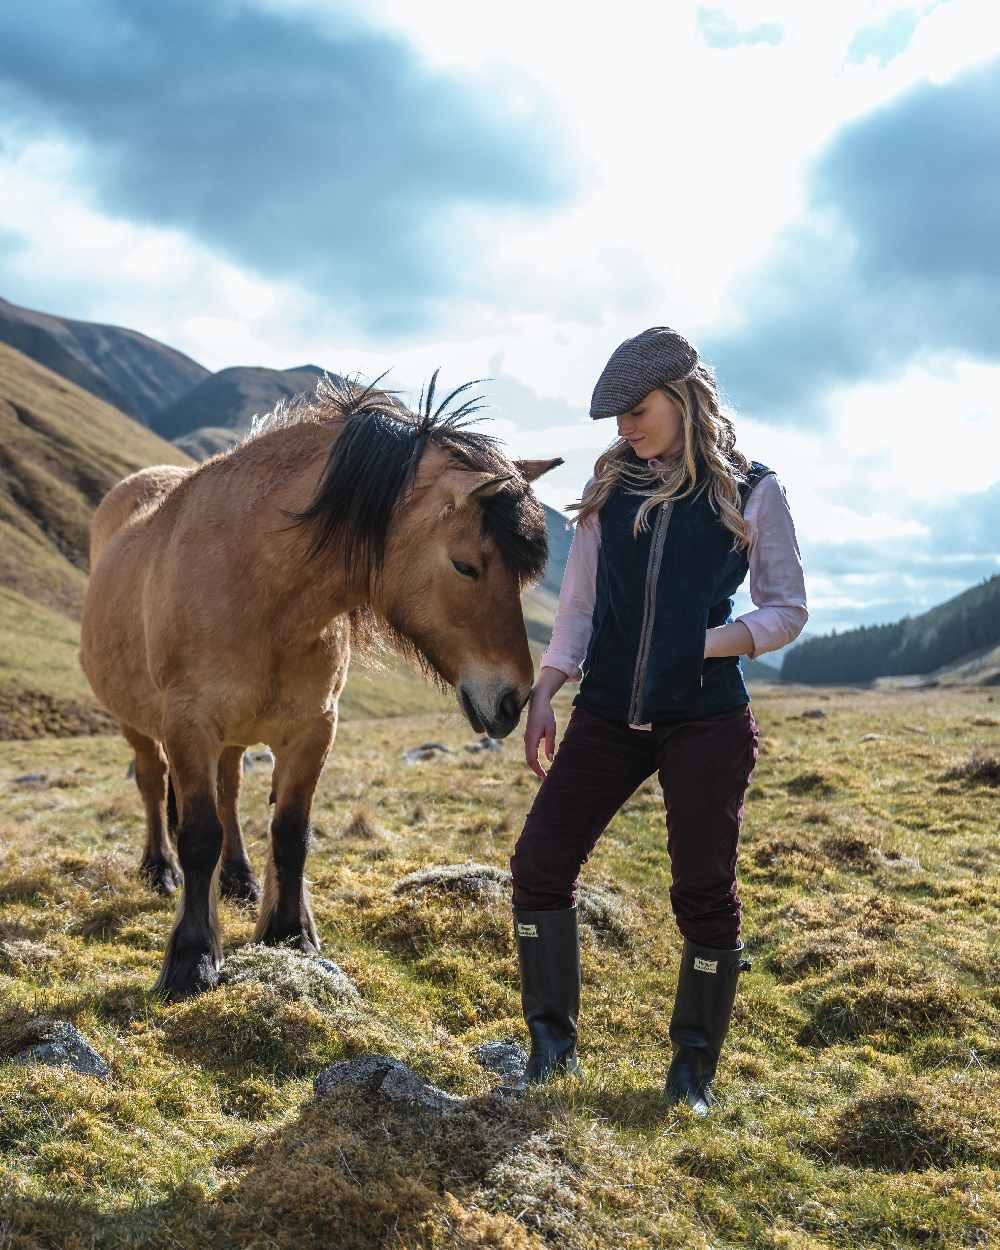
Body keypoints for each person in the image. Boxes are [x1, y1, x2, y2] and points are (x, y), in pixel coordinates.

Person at [508, 326, 808, 1115]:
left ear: (682, 399)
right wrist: (547, 688)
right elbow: (578, 606)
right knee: (539, 865)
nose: (625, 430)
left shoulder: (753, 490)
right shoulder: (612, 487)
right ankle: (551, 1051)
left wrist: (703, 643)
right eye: (617, 419)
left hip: (705, 719)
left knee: (704, 892)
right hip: (607, 711)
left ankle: (691, 1074)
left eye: (637, 412)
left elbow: (786, 609)